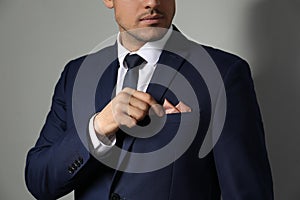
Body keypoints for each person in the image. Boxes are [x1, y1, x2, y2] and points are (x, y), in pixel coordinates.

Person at [25, 0, 274, 199]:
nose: (152, 2)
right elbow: (40, 181)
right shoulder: (77, 74)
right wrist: (98, 127)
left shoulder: (223, 73)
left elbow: (247, 192)